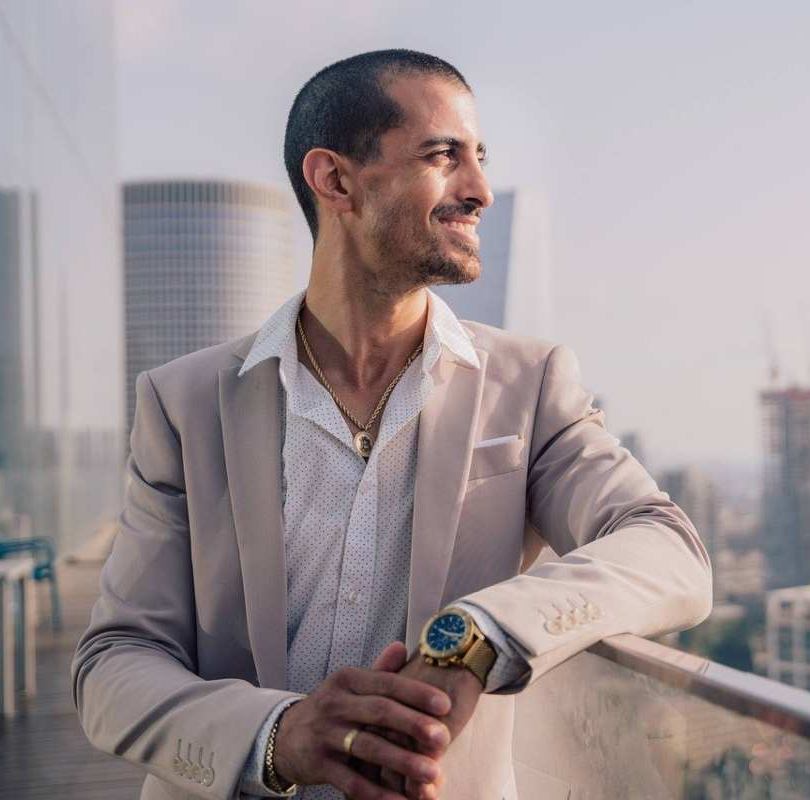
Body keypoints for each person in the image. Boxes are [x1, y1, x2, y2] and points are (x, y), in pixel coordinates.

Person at [73, 49, 711, 800]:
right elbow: (114, 661)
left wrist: (478, 636)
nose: (479, 190)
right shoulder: (182, 403)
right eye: (444, 156)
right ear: (336, 180)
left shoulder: (530, 386)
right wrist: (277, 735)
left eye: (480, 157)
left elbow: (667, 550)